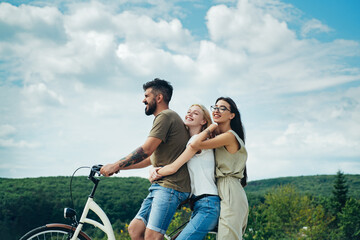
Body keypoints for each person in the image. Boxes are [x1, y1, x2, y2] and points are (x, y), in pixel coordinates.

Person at [100, 78, 191, 240]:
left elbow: (145, 150)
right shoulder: (166, 118)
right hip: (160, 186)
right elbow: (150, 158)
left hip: (171, 187)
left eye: (147, 96)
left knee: (152, 236)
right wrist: (118, 167)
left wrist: (115, 164)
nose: (143, 100)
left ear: (159, 97)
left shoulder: (165, 116)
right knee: (135, 230)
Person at [149, 104, 220, 240]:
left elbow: (173, 167)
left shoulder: (197, 141)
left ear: (203, 121)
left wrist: (155, 172)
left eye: (195, 113)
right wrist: (153, 167)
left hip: (208, 204)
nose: (189, 114)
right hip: (199, 204)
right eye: (188, 112)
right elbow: (163, 158)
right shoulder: (189, 143)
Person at [190, 97, 248, 240]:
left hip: (230, 191)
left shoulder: (229, 136)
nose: (216, 110)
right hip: (219, 190)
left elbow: (195, 144)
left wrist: (210, 127)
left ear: (231, 115)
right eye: (215, 107)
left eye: (222, 108)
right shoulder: (219, 137)